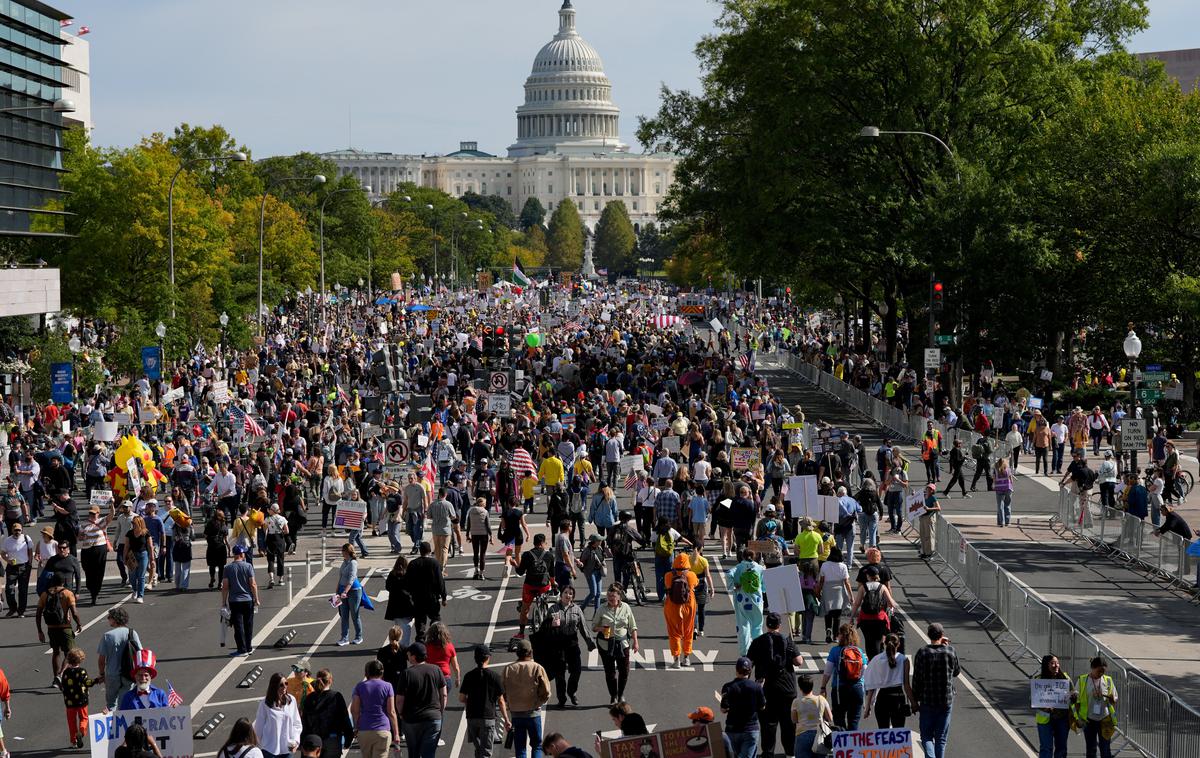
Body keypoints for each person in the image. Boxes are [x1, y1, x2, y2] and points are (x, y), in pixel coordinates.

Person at [748, 612, 801, 758]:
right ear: (779, 625)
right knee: (788, 724)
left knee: (767, 724)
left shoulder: (758, 641)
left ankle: (768, 753)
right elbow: (799, 661)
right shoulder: (788, 641)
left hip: (766, 688)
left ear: (767, 624)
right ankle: (790, 753)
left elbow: (748, 664)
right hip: (787, 688)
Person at [539, 585, 594, 706]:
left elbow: (583, 627)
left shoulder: (577, 609)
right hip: (558, 645)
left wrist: (590, 643)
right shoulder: (553, 609)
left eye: (570, 593)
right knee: (560, 674)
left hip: (572, 644)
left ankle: (571, 691)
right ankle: (561, 698)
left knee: (577, 670)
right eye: (566, 592)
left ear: (573, 597)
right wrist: (551, 624)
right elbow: (544, 627)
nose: (568, 595)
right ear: (561, 594)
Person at [911, 623, 960, 758]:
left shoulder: (922, 652)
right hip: (946, 700)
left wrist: (914, 700)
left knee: (926, 736)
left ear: (928, 635)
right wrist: (946, 646)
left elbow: (917, 679)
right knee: (941, 738)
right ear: (942, 635)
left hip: (928, 700)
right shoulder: (950, 651)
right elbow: (956, 672)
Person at [502, 638, 552, 758]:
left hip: (516, 714)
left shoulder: (508, 669)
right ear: (530, 652)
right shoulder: (537, 668)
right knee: (537, 746)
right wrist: (540, 701)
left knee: (520, 748)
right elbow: (546, 690)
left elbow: (502, 691)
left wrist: (509, 703)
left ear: (517, 652)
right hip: (533, 713)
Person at [397, 642, 448, 758]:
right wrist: (440, 711)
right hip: (433, 718)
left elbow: (399, 700)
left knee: (413, 753)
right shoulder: (436, 669)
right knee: (429, 753)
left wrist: (401, 714)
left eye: (409, 654)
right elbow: (444, 694)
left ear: (414, 656)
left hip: (412, 719)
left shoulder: (407, 674)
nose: (408, 657)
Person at [459, 645, 510, 758]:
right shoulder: (495, 677)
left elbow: (461, 698)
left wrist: (470, 702)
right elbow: (501, 700)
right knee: (486, 752)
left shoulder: (469, 676)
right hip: (487, 717)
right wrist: (506, 719)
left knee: (478, 749)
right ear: (488, 658)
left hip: (472, 717)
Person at [592, 582, 638, 704]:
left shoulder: (626, 608)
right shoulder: (601, 608)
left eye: (613, 596)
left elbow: (632, 626)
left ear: (619, 596)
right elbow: (594, 627)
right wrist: (602, 628)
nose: (611, 598)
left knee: (624, 671)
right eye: (609, 596)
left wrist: (635, 642)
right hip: (605, 644)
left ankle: (621, 694)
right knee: (610, 672)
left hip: (622, 644)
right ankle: (613, 696)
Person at [36, 573, 82, 687]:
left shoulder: (45, 594)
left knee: (56, 653)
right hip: (65, 628)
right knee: (70, 653)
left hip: (51, 628)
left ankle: (55, 679)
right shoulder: (67, 593)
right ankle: (60, 675)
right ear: (63, 581)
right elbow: (74, 612)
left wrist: (40, 631)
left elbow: (38, 614)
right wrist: (79, 624)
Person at [820, 623, 866, 731]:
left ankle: (842, 745)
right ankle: (853, 746)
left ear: (841, 635)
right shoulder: (859, 651)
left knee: (839, 720)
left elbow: (827, 672)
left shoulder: (835, 651)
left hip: (840, 690)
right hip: (857, 689)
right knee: (854, 720)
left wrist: (823, 687)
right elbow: (865, 670)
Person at [863, 634, 914, 729]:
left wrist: (867, 707)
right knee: (898, 732)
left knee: (883, 733)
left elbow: (871, 685)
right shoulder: (904, 659)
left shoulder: (876, 659)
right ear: (898, 644)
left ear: (884, 643)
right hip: (898, 697)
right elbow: (907, 685)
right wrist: (913, 703)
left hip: (882, 698)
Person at [352, 660, 401, 758]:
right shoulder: (388, 686)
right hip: (382, 730)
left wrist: (356, 726)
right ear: (382, 672)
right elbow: (391, 711)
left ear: (367, 672)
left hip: (364, 730)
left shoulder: (360, 686)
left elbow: (355, 710)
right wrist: (396, 733)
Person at [300, 668, 354, 758]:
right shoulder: (336, 696)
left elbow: (304, 721)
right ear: (330, 680)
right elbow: (344, 718)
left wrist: (302, 741)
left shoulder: (309, 698)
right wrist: (349, 737)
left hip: (312, 740)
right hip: (331, 739)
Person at [720, 656, 766, 758]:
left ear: (736, 670)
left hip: (732, 729)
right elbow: (762, 707)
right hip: (751, 729)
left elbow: (723, 709)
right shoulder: (757, 687)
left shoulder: (728, 687)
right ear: (750, 671)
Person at [96, 606, 142, 709]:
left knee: (111, 704)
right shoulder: (132, 633)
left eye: (110, 617)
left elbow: (101, 660)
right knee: (125, 702)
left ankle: (113, 722)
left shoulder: (107, 636)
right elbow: (140, 653)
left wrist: (102, 674)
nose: (108, 619)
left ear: (115, 619)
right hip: (129, 673)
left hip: (112, 674)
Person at [848, 565, 897, 659]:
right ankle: (878, 660)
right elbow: (891, 603)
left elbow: (857, 603)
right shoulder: (882, 587)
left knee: (868, 641)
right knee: (878, 640)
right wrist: (891, 610)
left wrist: (851, 618)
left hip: (865, 619)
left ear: (868, 576)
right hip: (879, 618)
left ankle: (871, 660)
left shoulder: (863, 587)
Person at [221, 544, 261, 657]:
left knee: (238, 625)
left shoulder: (228, 568)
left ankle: (241, 649)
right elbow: (253, 584)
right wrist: (256, 598)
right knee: (249, 624)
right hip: (248, 599)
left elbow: (225, 586)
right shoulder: (248, 567)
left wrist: (223, 602)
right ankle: (248, 647)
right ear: (242, 554)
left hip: (235, 600)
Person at [512, 533, 555, 638]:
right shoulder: (549, 555)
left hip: (529, 586)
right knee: (545, 595)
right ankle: (543, 606)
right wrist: (553, 585)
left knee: (525, 608)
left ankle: (521, 633)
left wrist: (515, 565)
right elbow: (552, 574)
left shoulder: (527, 555)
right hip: (543, 586)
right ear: (542, 543)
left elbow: (520, 572)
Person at [1073, 656, 1117, 758]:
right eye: (1099, 671)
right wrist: (1077, 719)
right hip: (1088, 720)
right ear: (1092, 668)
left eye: (1103, 672)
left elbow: (1114, 699)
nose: (1101, 674)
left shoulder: (1108, 680)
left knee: (1105, 749)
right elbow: (1076, 701)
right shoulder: (1082, 680)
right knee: (1091, 749)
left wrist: (1107, 696)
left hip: (1105, 719)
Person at [254, 672, 302, 758]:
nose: (285, 687)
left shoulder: (291, 701)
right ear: (274, 686)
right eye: (281, 685)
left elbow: (297, 724)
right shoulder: (265, 704)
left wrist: (295, 741)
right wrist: (259, 746)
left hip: (287, 750)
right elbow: (259, 727)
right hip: (269, 750)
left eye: (286, 683)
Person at [1033, 655, 1073, 758]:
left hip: (1062, 719)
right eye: (1052, 663)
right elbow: (1032, 700)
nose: (1056, 665)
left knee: (1061, 748)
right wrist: (1043, 707)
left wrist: (1073, 696)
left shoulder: (1065, 678)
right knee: (1046, 748)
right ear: (1046, 665)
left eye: (1057, 663)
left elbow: (1074, 695)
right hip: (1045, 719)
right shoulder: (1038, 680)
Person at [407, 541, 448, 642]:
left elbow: (408, 582)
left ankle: (421, 640)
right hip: (432, 598)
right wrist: (444, 597)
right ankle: (437, 637)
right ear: (429, 551)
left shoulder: (413, 564)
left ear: (420, 551)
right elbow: (440, 582)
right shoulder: (434, 563)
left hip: (418, 599)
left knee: (420, 621)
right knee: (435, 618)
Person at [728, 547, 765, 655]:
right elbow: (763, 585)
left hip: (742, 599)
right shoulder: (759, 568)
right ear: (754, 556)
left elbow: (729, 574)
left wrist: (734, 585)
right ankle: (759, 650)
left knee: (743, 625)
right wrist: (762, 589)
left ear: (742, 556)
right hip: (756, 599)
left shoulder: (739, 567)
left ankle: (744, 651)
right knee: (757, 624)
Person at [60, 647, 95, 749]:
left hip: (69, 701)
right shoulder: (82, 671)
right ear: (81, 659)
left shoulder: (66, 673)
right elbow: (87, 682)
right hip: (81, 700)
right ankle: (81, 731)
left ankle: (73, 740)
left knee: (71, 721)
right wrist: (96, 680)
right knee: (83, 718)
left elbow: (63, 686)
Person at [791, 673, 832, 758]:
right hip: (819, 735)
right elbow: (830, 718)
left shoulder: (796, 702)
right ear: (812, 686)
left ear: (800, 687)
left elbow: (794, 720)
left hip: (802, 735)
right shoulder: (821, 699)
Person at [817, 546, 851, 643]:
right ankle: (836, 635)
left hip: (827, 589)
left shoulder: (824, 565)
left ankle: (828, 629)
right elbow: (847, 582)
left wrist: (818, 592)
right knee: (837, 615)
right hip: (839, 590)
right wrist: (850, 595)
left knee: (828, 612)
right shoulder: (843, 566)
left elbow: (821, 580)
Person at [78, 505, 111, 605]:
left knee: (99, 571)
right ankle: (90, 587)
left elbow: (112, 515)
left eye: (94, 513)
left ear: (98, 514)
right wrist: (82, 536)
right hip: (87, 549)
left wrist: (112, 505)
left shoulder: (102, 521)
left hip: (100, 548)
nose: (91, 515)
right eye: (90, 513)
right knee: (87, 570)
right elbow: (79, 538)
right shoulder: (83, 524)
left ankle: (94, 594)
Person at [335, 543, 366, 646]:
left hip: (354, 591)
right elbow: (341, 577)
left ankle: (359, 636)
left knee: (354, 615)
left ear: (347, 551)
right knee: (343, 615)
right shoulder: (344, 562)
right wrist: (337, 591)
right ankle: (344, 638)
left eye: (343, 551)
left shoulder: (353, 563)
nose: (341, 553)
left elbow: (351, 579)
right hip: (343, 590)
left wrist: (345, 591)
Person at [2, 520, 34, 617]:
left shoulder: (26, 538)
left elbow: (30, 551)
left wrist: (30, 564)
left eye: (19, 530)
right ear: (12, 530)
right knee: (9, 589)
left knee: (23, 590)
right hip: (12, 567)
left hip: (24, 567)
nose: (17, 532)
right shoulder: (7, 540)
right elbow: (3, 553)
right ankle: (13, 608)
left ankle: (21, 611)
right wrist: (8, 560)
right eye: (15, 530)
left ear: (22, 530)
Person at [384, 555, 416, 648]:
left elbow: (388, 587)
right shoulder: (409, 574)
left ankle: (397, 643)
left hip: (395, 604)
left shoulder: (392, 574)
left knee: (397, 626)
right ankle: (404, 646)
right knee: (407, 627)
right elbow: (413, 588)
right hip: (407, 604)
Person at [425, 622, 461, 693]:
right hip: (445, 678)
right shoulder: (450, 646)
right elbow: (456, 666)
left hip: (431, 678)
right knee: (443, 700)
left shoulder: (426, 646)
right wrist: (458, 678)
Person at [464, 496, 493, 580]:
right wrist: (491, 535)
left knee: (475, 553)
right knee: (482, 554)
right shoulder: (485, 511)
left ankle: (476, 571)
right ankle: (481, 573)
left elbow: (468, 523)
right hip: (483, 534)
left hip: (474, 534)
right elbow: (488, 525)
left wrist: (467, 534)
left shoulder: (471, 511)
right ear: (483, 504)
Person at [205, 510, 230, 590]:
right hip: (221, 547)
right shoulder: (223, 524)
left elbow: (205, 535)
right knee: (221, 566)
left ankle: (212, 577)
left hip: (211, 547)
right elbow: (226, 538)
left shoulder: (210, 523)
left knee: (211, 565)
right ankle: (220, 583)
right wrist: (229, 547)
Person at [917, 485, 941, 559]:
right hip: (922, 517)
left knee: (929, 535)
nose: (928, 490)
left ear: (932, 491)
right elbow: (916, 498)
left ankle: (929, 552)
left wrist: (929, 508)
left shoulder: (933, 498)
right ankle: (924, 552)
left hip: (929, 517)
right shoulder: (924, 496)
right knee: (922, 535)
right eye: (927, 488)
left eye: (930, 489)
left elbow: (938, 508)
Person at [993, 457, 1015, 527]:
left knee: (1000, 506)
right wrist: (1011, 486)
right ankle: (1007, 522)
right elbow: (1011, 479)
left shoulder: (995, 470)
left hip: (999, 488)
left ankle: (1001, 522)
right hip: (1007, 488)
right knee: (1007, 505)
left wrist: (994, 485)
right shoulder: (1008, 469)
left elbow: (993, 479)